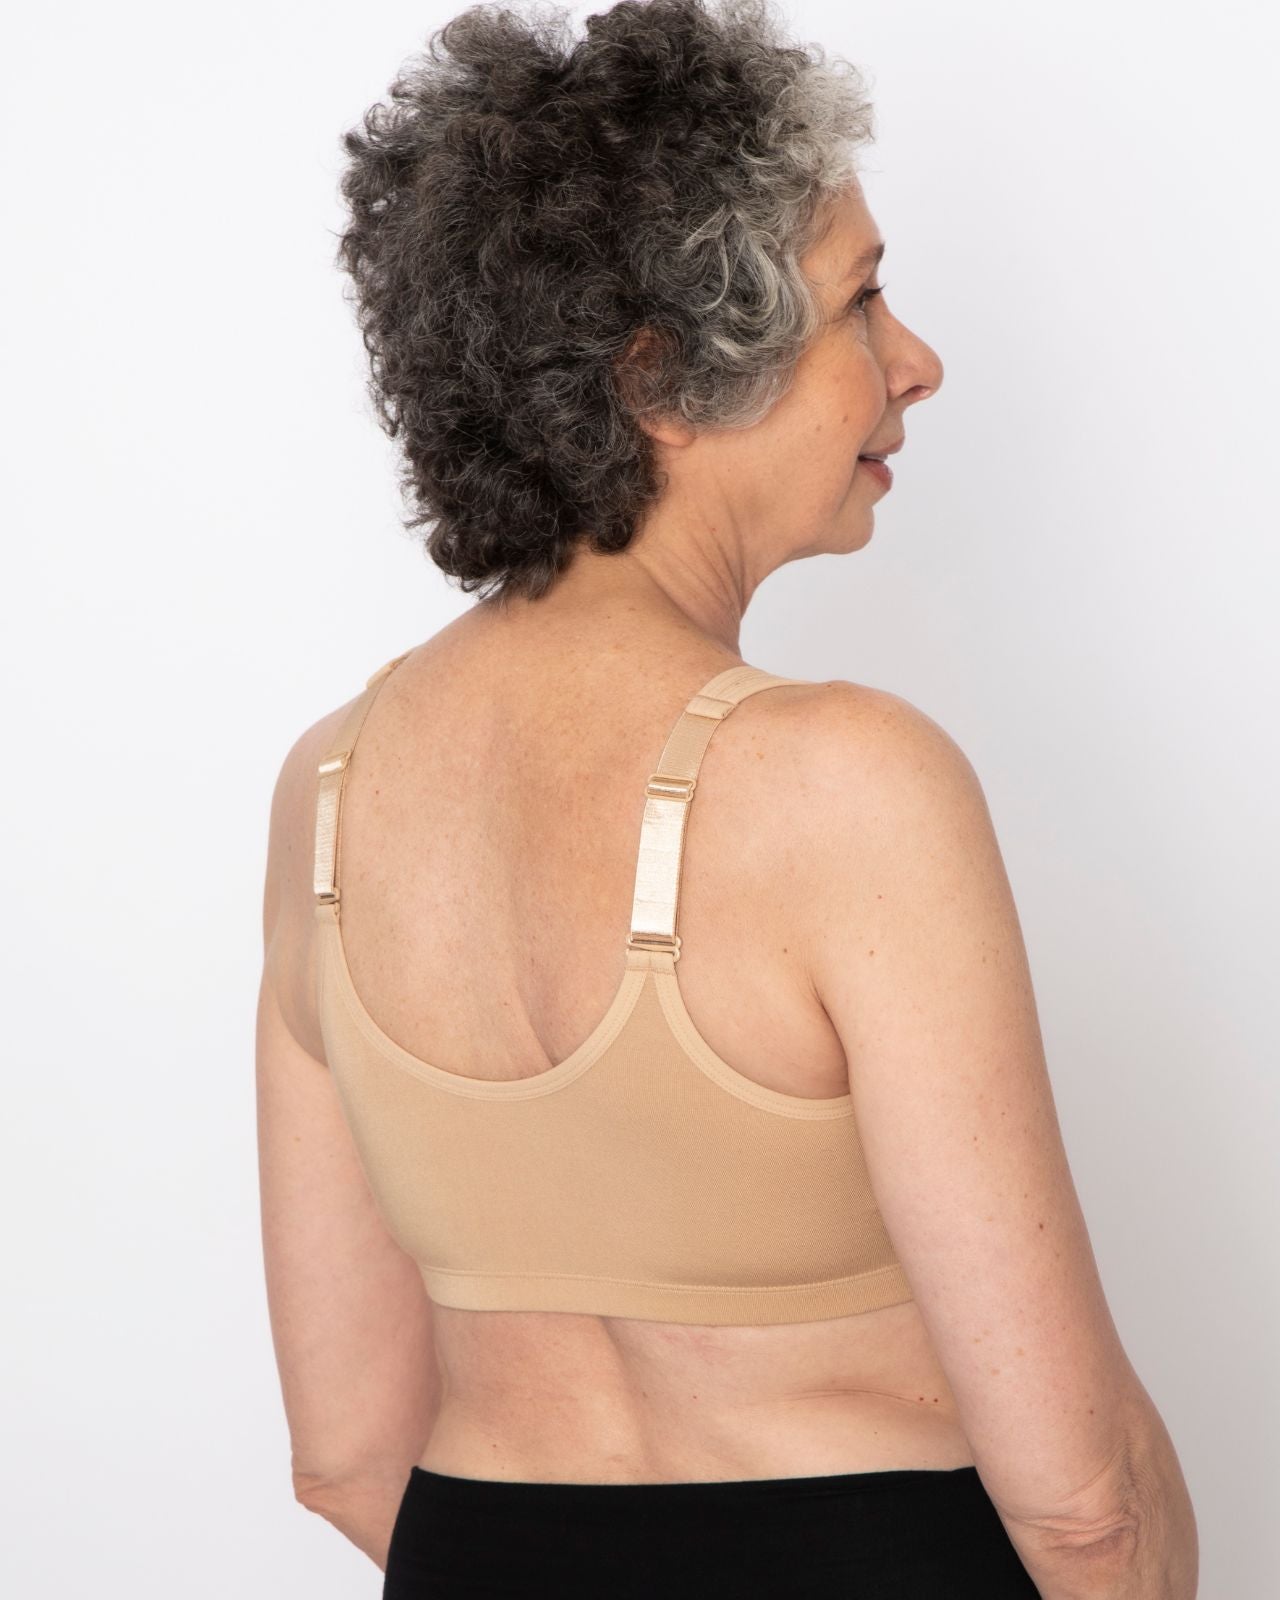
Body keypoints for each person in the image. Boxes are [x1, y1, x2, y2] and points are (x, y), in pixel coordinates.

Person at [256, 1, 1197, 1593]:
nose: (917, 362)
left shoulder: (329, 795)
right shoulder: (847, 786)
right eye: (862, 303)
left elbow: (345, 1456)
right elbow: (1081, 1503)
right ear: (663, 377)